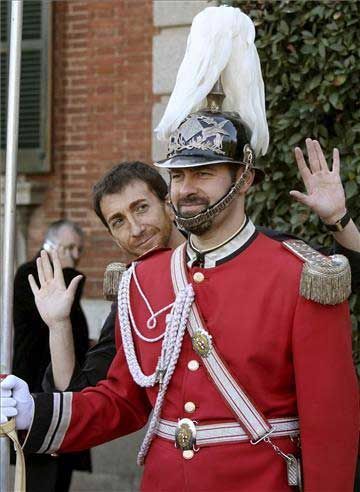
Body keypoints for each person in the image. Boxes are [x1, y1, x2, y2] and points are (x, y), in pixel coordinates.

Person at [1, 6, 359, 491]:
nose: (187, 188)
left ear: (246, 178)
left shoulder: (300, 275)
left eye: (205, 173)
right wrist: (34, 412)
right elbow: (121, 400)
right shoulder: (143, 280)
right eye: (180, 175)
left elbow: (330, 425)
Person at [40, 157, 360, 395]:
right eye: (118, 222)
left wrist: (337, 218)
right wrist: (58, 326)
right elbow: (82, 393)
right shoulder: (134, 294)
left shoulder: (263, 251)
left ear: (168, 203)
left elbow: (344, 280)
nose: (135, 230)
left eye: (141, 208)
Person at [11, 220, 91, 492]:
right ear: (49, 245)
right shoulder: (29, 274)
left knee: (61, 477)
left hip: (66, 391)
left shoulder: (63, 278)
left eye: (78, 249)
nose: (75, 255)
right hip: (37, 391)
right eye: (68, 247)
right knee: (41, 478)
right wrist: (66, 269)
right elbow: (45, 321)